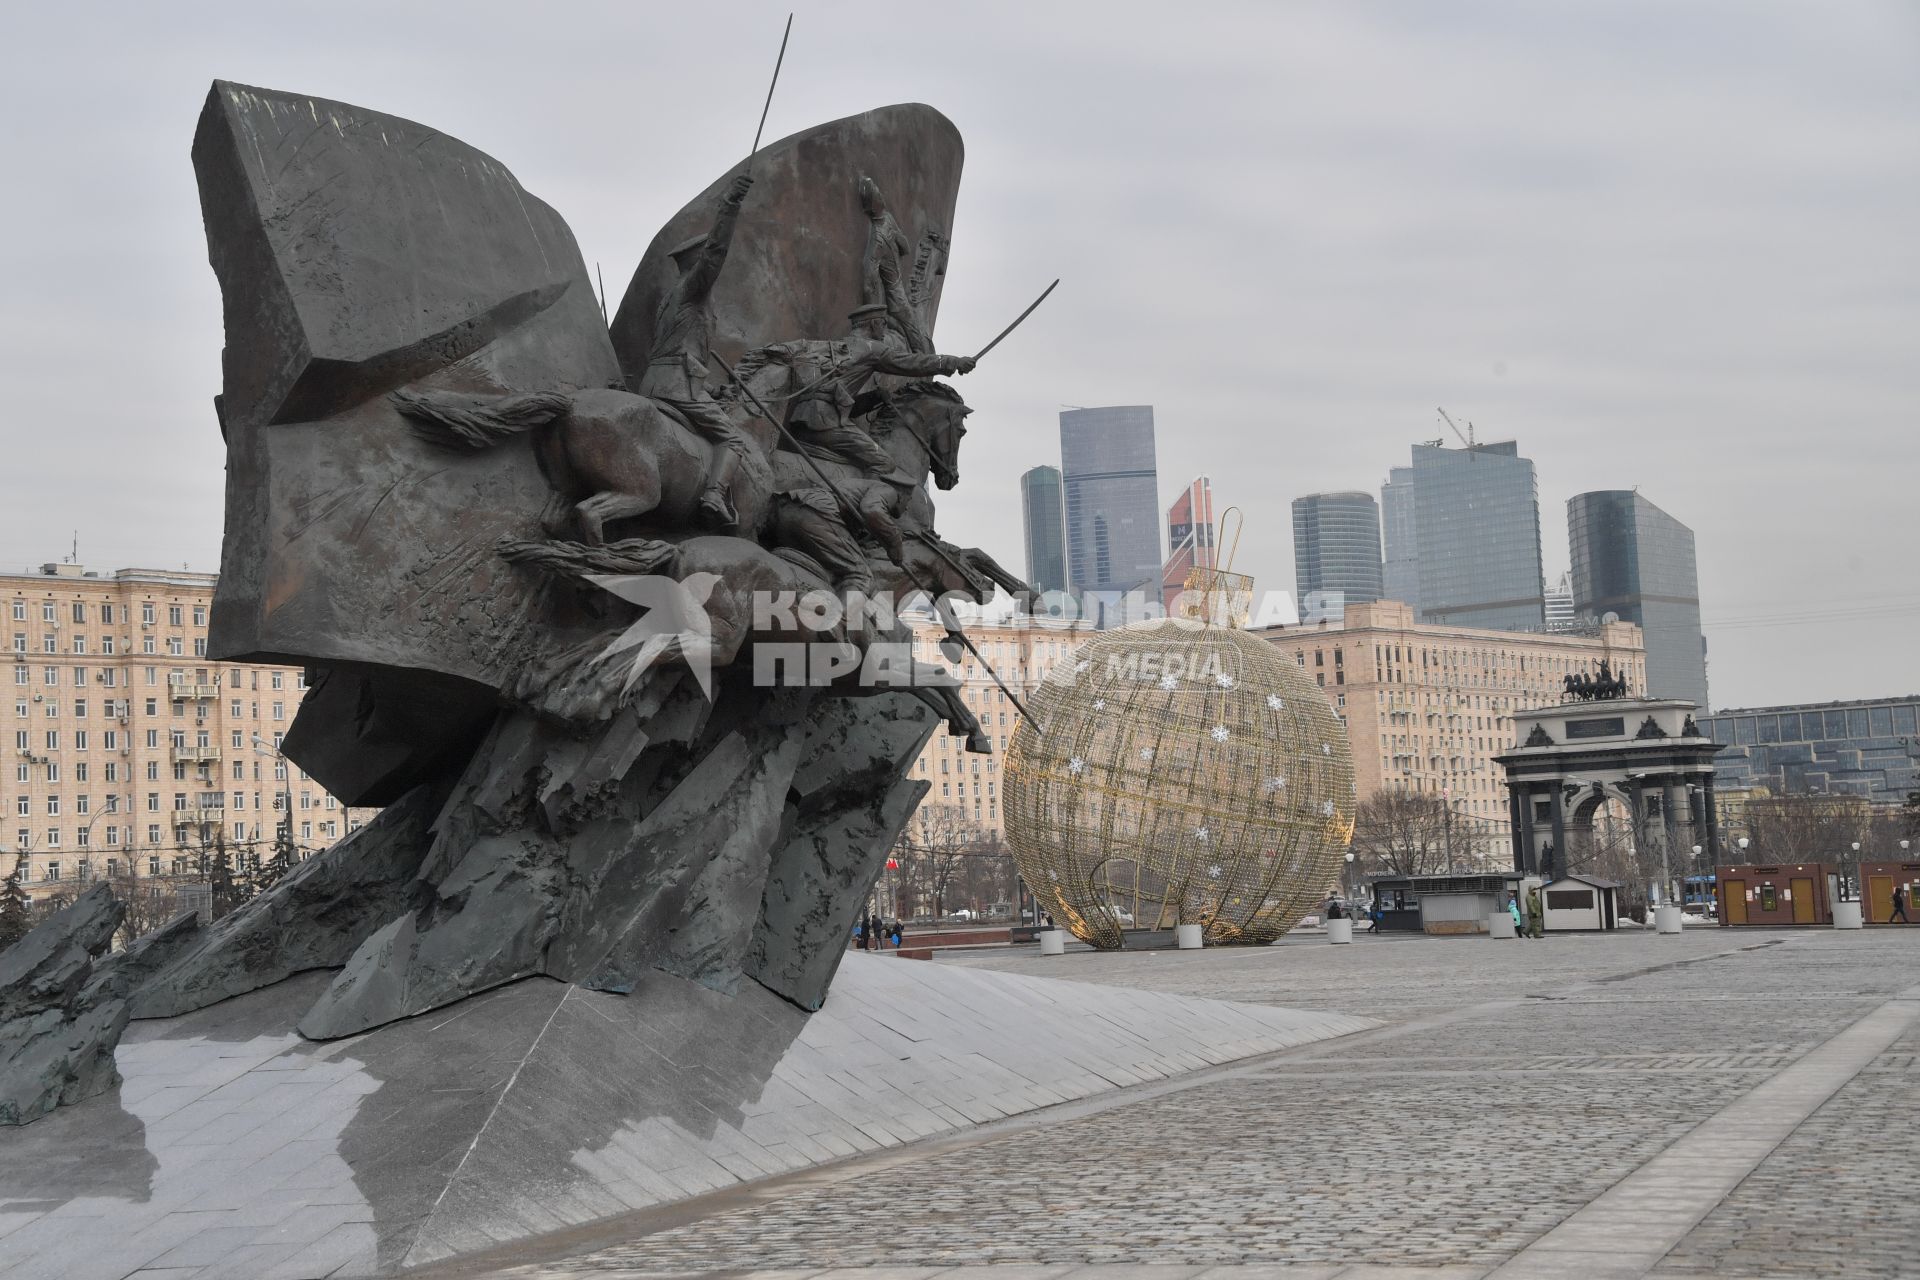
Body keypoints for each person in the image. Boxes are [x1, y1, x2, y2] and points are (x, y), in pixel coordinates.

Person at [637, 171, 758, 528]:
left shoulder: (670, 299)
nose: (713, 266)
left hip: (654, 383)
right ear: (699, 261)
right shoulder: (694, 289)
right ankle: (713, 496)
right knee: (733, 439)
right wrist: (730, 205)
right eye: (706, 259)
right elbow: (717, 252)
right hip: (679, 388)